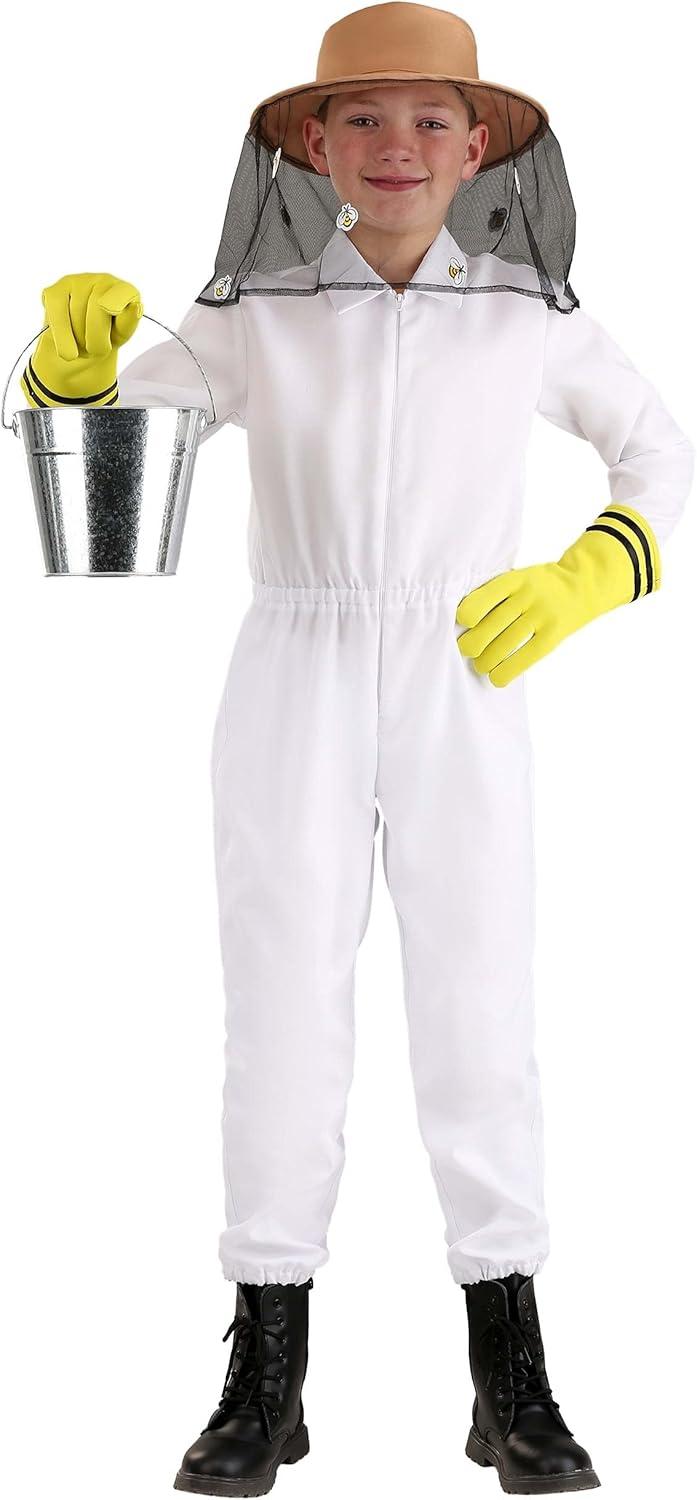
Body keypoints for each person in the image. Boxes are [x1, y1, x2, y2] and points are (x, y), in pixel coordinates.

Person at [20, 5, 694, 1495]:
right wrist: (71, 361)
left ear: (479, 145)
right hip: (294, 669)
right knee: (280, 1005)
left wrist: (593, 570)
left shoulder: (525, 310)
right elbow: (120, 414)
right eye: (364, 120)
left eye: (430, 120)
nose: (398, 146)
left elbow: (657, 447)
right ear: (312, 148)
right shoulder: (257, 312)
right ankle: (264, 1374)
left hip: (468, 668)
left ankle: (510, 1372)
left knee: (478, 999)